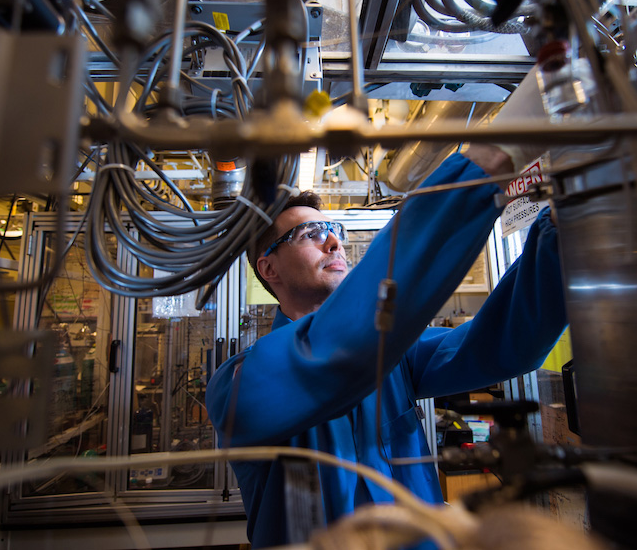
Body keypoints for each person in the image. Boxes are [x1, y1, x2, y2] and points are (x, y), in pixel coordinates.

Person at [206, 144, 567, 549]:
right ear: (268, 268)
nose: (334, 244)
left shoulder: (393, 358)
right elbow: (338, 349)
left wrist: (559, 232)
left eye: (334, 232)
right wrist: (480, 170)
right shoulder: (239, 383)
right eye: (309, 234)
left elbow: (505, 343)